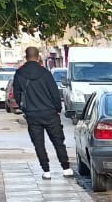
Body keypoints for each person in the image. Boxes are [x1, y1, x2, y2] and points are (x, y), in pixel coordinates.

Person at [11, 46, 71, 180]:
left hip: (32, 114)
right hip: (49, 112)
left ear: (26, 57)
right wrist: (57, 109)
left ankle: (46, 171)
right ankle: (66, 168)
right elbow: (55, 93)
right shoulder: (45, 73)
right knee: (58, 140)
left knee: (38, 143)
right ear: (38, 57)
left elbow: (17, 94)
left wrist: (24, 109)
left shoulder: (19, 74)